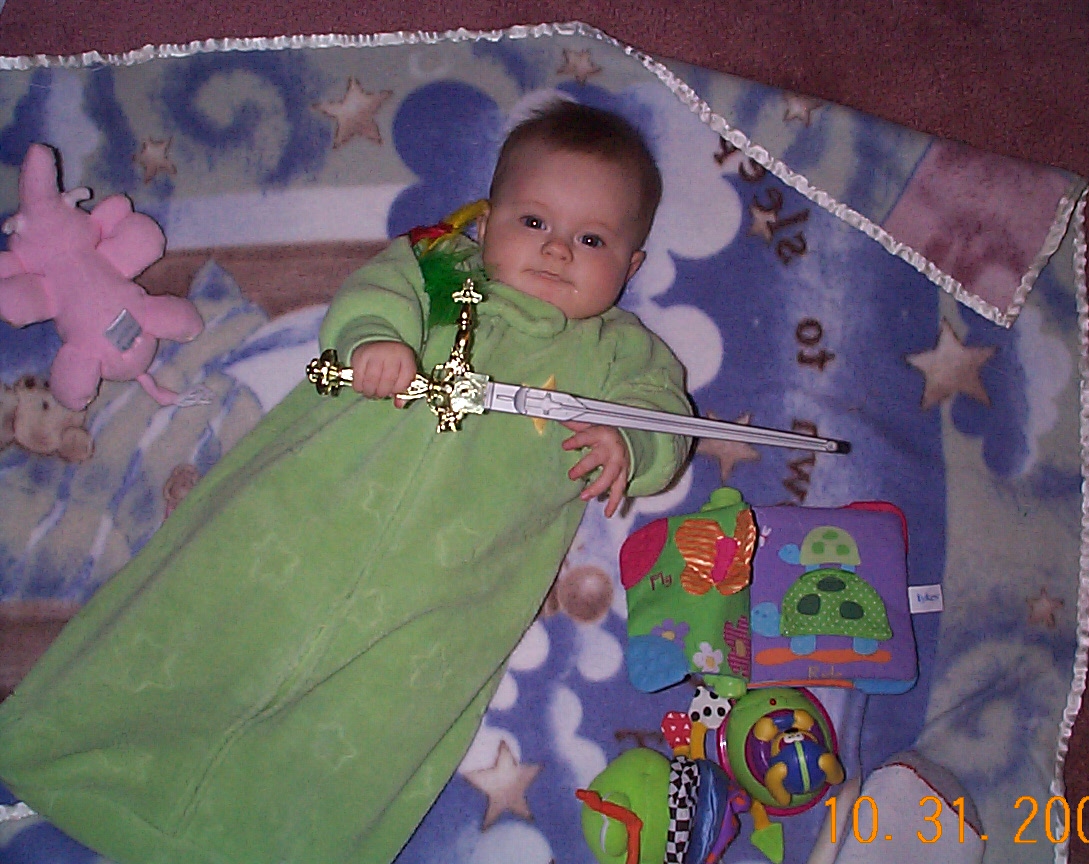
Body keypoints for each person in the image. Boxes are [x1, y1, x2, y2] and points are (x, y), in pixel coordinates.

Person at [0, 101, 691, 864]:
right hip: (302, 519)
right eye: (533, 221)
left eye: (592, 239)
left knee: (364, 728)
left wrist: (630, 442)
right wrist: (373, 339)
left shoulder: (618, 353)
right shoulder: (441, 268)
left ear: (630, 266)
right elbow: (375, 294)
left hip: (439, 600)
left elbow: (666, 416)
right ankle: (68, 754)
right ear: (488, 218)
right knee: (198, 625)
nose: (558, 249)